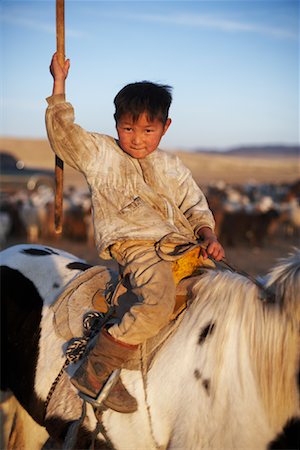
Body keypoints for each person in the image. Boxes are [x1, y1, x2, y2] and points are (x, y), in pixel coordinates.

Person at [46, 53, 225, 414]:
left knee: (228, 296)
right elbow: (64, 136)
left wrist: (208, 235)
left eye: (148, 130)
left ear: (166, 126)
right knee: (156, 304)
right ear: (116, 124)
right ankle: (95, 368)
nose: (138, 139)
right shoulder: (101, 153)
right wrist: (59, 84)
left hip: (183, 247)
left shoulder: (170, 166)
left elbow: (194, 205)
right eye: (128, 129)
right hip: (137, 248)